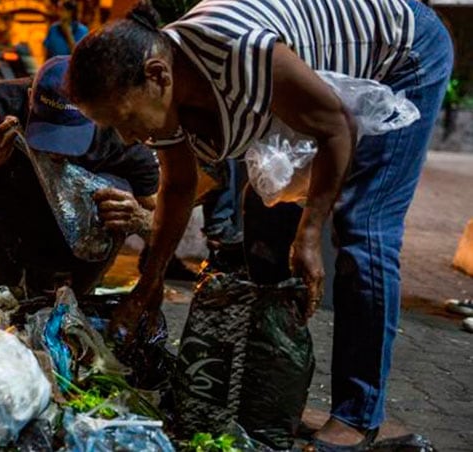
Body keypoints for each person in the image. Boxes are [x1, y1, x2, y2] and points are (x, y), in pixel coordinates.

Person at [66, 0, 453, 449]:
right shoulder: (166, 86)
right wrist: (148, 283)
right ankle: (276, 389)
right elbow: (178, 188)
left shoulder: (239, 50)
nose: (128, 138)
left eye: (127, 120)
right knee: (263, 215)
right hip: (325, 91)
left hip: (404, 53)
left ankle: (358, 414)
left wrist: (309, 234)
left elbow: (335, 128)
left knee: (363, 227)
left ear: (157, 76)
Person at [0, 56, 159, 296]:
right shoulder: (0, 104)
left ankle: (76, 295)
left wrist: (139, 219)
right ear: (30, 96)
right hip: (10, 217)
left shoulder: (120, 130)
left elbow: (159, 219)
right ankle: (0, 297)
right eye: (49, 132)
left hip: (80, 238)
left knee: (115, 195)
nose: (56, 150)